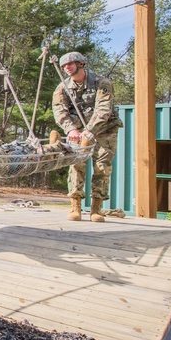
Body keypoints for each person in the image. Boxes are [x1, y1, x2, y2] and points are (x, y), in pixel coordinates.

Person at [51, 51, 123, 222]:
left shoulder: (102, 84)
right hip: (78, 131)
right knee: (76, 165)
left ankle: (96, 209)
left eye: (70, 64)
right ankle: (75, 206)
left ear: (80, 64)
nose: (66, 68)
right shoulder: (62, 87)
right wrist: (70, 130)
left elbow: (103, 110)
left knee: (102, 167)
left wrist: (90, 130)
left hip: (104, 129)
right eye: (64, 66)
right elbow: (59, 111)